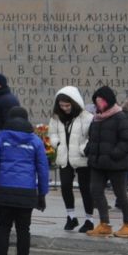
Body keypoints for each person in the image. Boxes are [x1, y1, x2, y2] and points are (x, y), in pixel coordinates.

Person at [0, 104, 50, 255]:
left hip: (5, 189)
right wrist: (42, 194)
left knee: (3, 228)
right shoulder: (35, 140)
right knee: (24, 231)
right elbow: (42, 168)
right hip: (26, 190)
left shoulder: (1, 137)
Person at [83, 86, 128, 240]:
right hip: (98, 163)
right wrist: (89, 150)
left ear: (108, 101)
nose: (98, 104)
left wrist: (115, 154)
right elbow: (93, 137)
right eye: (96, 101)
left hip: (116, 164)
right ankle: (104, 224)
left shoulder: (120, 117)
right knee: (95, 191)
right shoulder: (96, 118)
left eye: (100, 101)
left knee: (121, 194)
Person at [47, 86, 95, 233]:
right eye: (62, 106)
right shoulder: (56, 117)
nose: (65, 108)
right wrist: (57, 144)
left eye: (67, 105)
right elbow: (52, 133)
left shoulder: (87, 117)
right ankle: (71, 216)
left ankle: (89, 219)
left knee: (85, 189)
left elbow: (91, 136)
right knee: (65, 186)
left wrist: (83, 148)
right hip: (64, 157)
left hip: (82, 158)